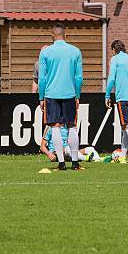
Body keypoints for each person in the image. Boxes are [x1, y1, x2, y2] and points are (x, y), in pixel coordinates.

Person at [39, 23, 83, 171]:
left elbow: (42, 78)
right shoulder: (75, 51)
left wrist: (41, 97)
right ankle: (75, 163)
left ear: (52, 35)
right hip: (70, 94)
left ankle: (62, 164)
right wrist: (77, 95)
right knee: (72, 126)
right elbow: (79, 77)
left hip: (51, 95)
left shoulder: (46, 52)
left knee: (55, 127)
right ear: (66, 35)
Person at [105, 40, 128, 163]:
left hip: (122, 97)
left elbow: (111, 79)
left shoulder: (115, 59)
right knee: (125, 127)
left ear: (113, 50)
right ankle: (123, 155)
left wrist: (107, 95)